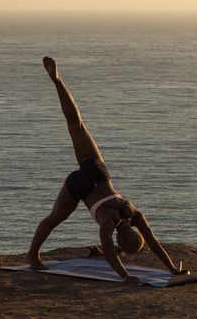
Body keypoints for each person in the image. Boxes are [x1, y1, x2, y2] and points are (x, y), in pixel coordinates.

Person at [27, 56, 187, 284]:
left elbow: (150, 240)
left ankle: (58, 81)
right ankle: (32, 255)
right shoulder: (107, 223)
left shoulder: (132, 212)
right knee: (55, 218)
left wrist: (172, 267)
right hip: (80, 185)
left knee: (76, 124)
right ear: (120, 242)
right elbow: (114, 252)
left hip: (98, 173)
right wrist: (127, 276)